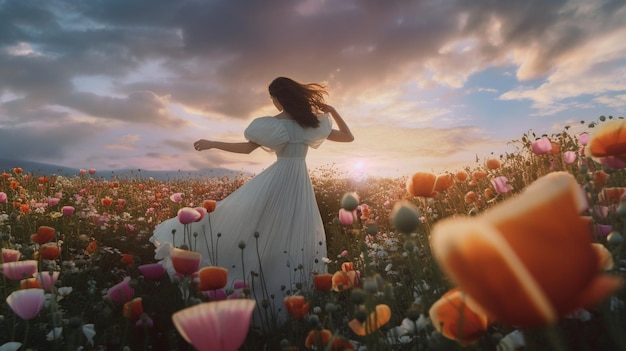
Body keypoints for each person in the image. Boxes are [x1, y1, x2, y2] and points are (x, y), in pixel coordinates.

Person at [150, 77, 353, 327]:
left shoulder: (271, 126)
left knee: (257, 226)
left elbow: (247, 149)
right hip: (299, 181)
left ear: (278, 98)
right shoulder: (311, 123)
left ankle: (254, 282)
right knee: (293, 233)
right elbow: (348, 136)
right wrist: (333, 112)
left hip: (279, 178)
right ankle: (288, 294)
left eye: (273, 98)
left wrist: (212, 142)